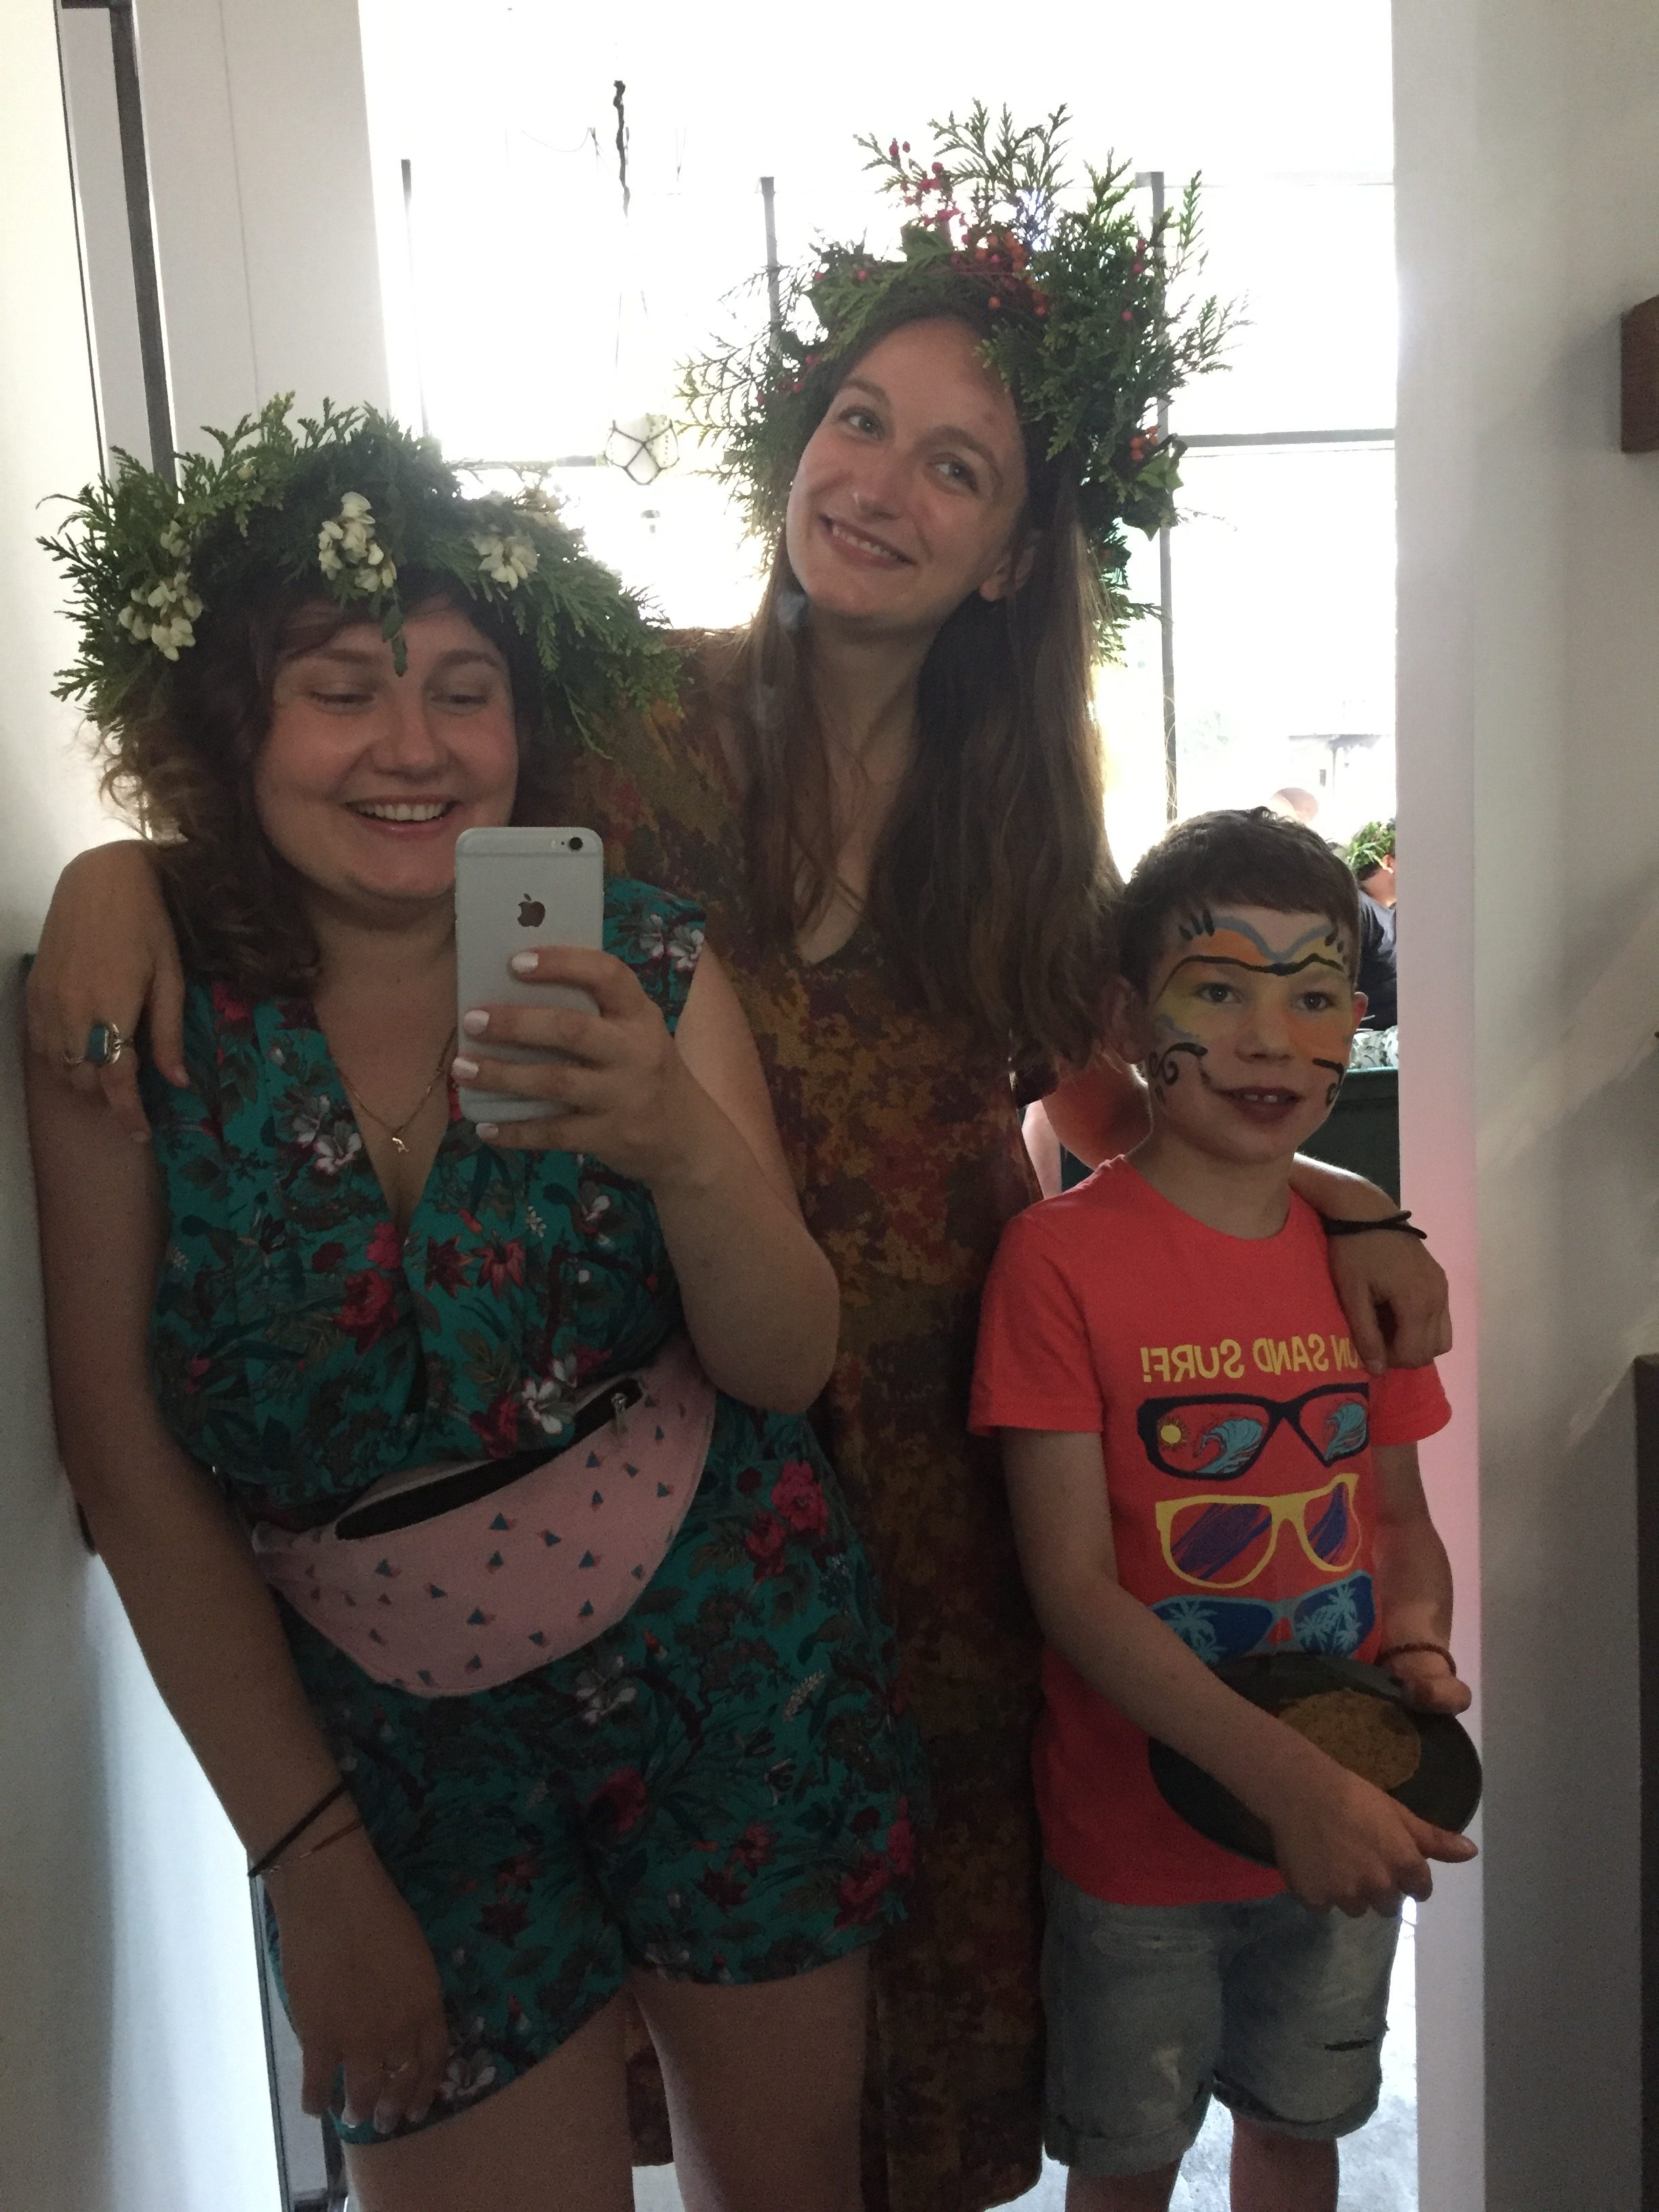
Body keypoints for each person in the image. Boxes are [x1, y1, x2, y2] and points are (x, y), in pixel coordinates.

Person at [24, 114, 1452, 2212]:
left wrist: (1345, 1200)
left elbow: (1115, 1108)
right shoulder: (611, 731)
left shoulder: (1023, 806)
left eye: (955, 467)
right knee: (569, 2035)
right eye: (860, 424)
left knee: (896, 2049)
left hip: (949, 1462)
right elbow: (372, 814)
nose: (882, 485)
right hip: (636, 1402)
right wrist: (119, 876)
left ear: (1014, 550)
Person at [27, 404, 918, 2212]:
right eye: (342, 689)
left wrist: (679, 1144)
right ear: (234, 721)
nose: (414, 746)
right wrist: (310, 1864)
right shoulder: (137, 1004)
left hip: (737, 1669)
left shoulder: (632, 960)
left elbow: (785, 1361)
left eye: (463, 690)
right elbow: (125, 1465)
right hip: (385, 1768)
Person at [971, 808, 1473, 2211]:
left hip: (1346, 1810)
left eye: (1313, 997)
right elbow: (1072, 1588)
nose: (1269, 1039)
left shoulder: (1364, 1262)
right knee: (1126, 2161)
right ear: (1128, 1018)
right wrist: (1290, 1782)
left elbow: (1399, 1522)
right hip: (1134, 1846)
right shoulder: (1056, 1263)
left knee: (1301, 2132)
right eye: (1221, 990)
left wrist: (1418, 1643)